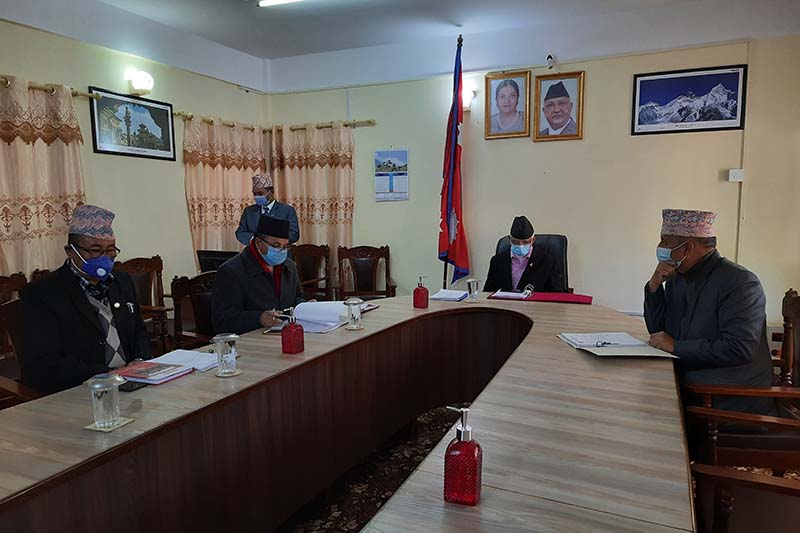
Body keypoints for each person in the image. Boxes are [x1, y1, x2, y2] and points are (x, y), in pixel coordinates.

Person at [644, 208, 775, 415]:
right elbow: (658, 333)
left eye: (665, 241)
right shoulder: (677, 277)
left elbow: (739, 348)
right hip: (691, 381)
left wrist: (677, 346)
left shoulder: (740, 282)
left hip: (727, 396)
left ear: (688, 247)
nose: (660, 248)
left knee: (650, 408)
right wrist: (653, 288)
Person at [17, 205, 150, 393]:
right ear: (70, 251)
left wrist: (139, 362)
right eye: (95, 250)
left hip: (130, 381)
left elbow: (139, 331)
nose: (105, 258)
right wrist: (108, 373)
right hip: (80, 388)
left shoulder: (122, 281)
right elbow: (43, 363)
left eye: (110, 250)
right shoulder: (42, 294)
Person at [213, 215, 305, 335]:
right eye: (276, 245)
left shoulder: (289, 266)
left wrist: (305, 307)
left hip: (284, 334)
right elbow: (222, 321)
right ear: (258, 243)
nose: (281, 251)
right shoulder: (231, 272)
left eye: (285, 246)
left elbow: (295, 298)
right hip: (250, 342)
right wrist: (259, 318)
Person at [484, 215, 567, 293]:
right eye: (515, 242)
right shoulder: (497, 261)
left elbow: (558, 295)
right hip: (503, 306)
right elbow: (487, 292)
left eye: (525, 242)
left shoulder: (548, 262)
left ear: (533, 240)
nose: (520, 245)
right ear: (509, 239)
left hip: (534, 307)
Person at [236, 172, 299, 246]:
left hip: (279, 252)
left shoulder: (287, 210)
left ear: (271, 191)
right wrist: (254, 240)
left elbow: (294, 234)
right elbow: (240, 232)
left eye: (260, 194)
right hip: (254, 253)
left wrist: (273, 241)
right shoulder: (249, 211)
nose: (256, 197)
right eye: (254, 194)